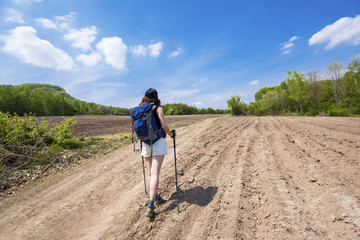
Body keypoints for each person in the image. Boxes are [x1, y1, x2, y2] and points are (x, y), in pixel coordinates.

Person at [139, 88, 176, 218]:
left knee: (150, 173)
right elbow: (164, 125)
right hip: (158, 142)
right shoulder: (158, 108)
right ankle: (151, 205)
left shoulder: (140, 109)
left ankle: (156, 196)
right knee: (155, 174)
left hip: (145, 143)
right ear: (156, 97)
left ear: (145, 97)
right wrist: (171, 135)